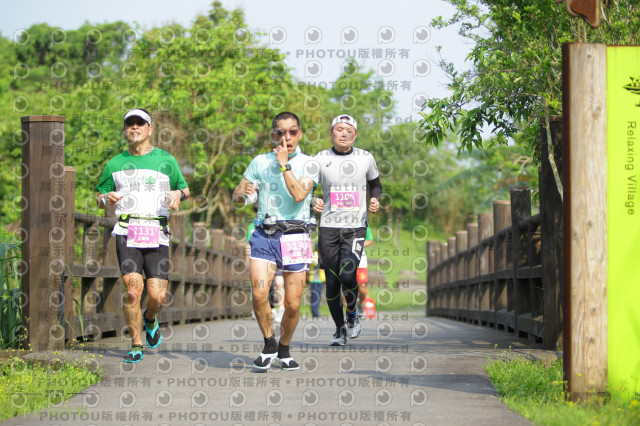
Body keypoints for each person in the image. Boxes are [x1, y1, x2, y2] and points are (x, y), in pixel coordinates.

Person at [96, 108, 190, 363]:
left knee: (158, 296)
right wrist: (106, 197)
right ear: (125, 129)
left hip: (157, 232)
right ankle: (136, 343)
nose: (134, 127)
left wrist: (177, 195)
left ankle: (150, 318)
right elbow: (100, 195)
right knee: (132, 291)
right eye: (130, 124)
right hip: (127, 230)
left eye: (140, 123)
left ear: (150, 129)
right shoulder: (114, 163)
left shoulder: (166, 160)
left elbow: (185, 189)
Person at [232, 111, 318, 371]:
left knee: (292, 303)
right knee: (259, 295)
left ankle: (285, 348)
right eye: (281, 132)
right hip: (264, 234)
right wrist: (242, 194)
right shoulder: (259, 161)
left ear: (300, 134)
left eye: (292, 132)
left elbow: (300, 194)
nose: (286, 137)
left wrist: (284, 165)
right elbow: (238, 195)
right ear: (274, 135)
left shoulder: (310, 163)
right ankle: (269, 342)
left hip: (296, 235)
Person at [312, 114, 382, 346]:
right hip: (329, 227)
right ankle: (339, 329)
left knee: (348, 275)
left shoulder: (365, 157)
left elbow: (376, 184)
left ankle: (352, 314)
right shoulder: (320, 158)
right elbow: (307, 187)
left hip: (355, 227)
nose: (343, 133)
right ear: (331, 132)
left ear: (355, 134)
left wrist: (375, 200)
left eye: (348, 130)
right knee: (332, 282)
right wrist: (313, 200)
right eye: (339, 129)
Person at [356, 226, 374, 318]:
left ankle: (359, 303)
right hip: (346, 261)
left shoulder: (364, 224)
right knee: (346, 288)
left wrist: (359, 245)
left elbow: (370, 239)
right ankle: (350, 313)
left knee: (362, 289)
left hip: (361, 263)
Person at [308, 248, 325, 318]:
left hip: (319, 280)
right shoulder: (314, 255)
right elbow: (316, 263)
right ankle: (314, 312)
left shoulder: (320, 255)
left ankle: (315, 311)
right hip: (314, 280)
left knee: (317, 297)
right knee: (315, 297)